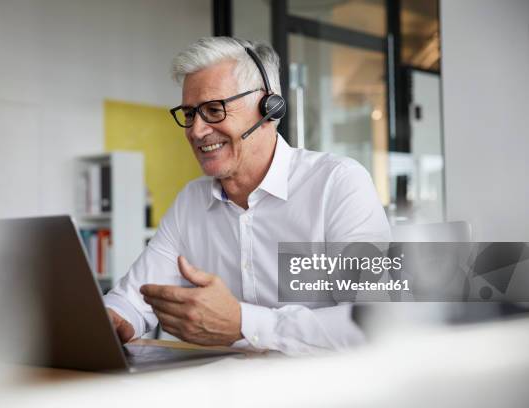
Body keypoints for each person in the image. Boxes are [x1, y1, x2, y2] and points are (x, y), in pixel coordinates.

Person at [104, 37, 391, 356]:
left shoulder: (337, 183)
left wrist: (244, 323)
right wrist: (109, 319)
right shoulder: (191, 201)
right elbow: (131, 301)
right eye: (189, 114)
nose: (196, 131)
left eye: (214, 110)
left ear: (270, 108)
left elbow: (374, 320)